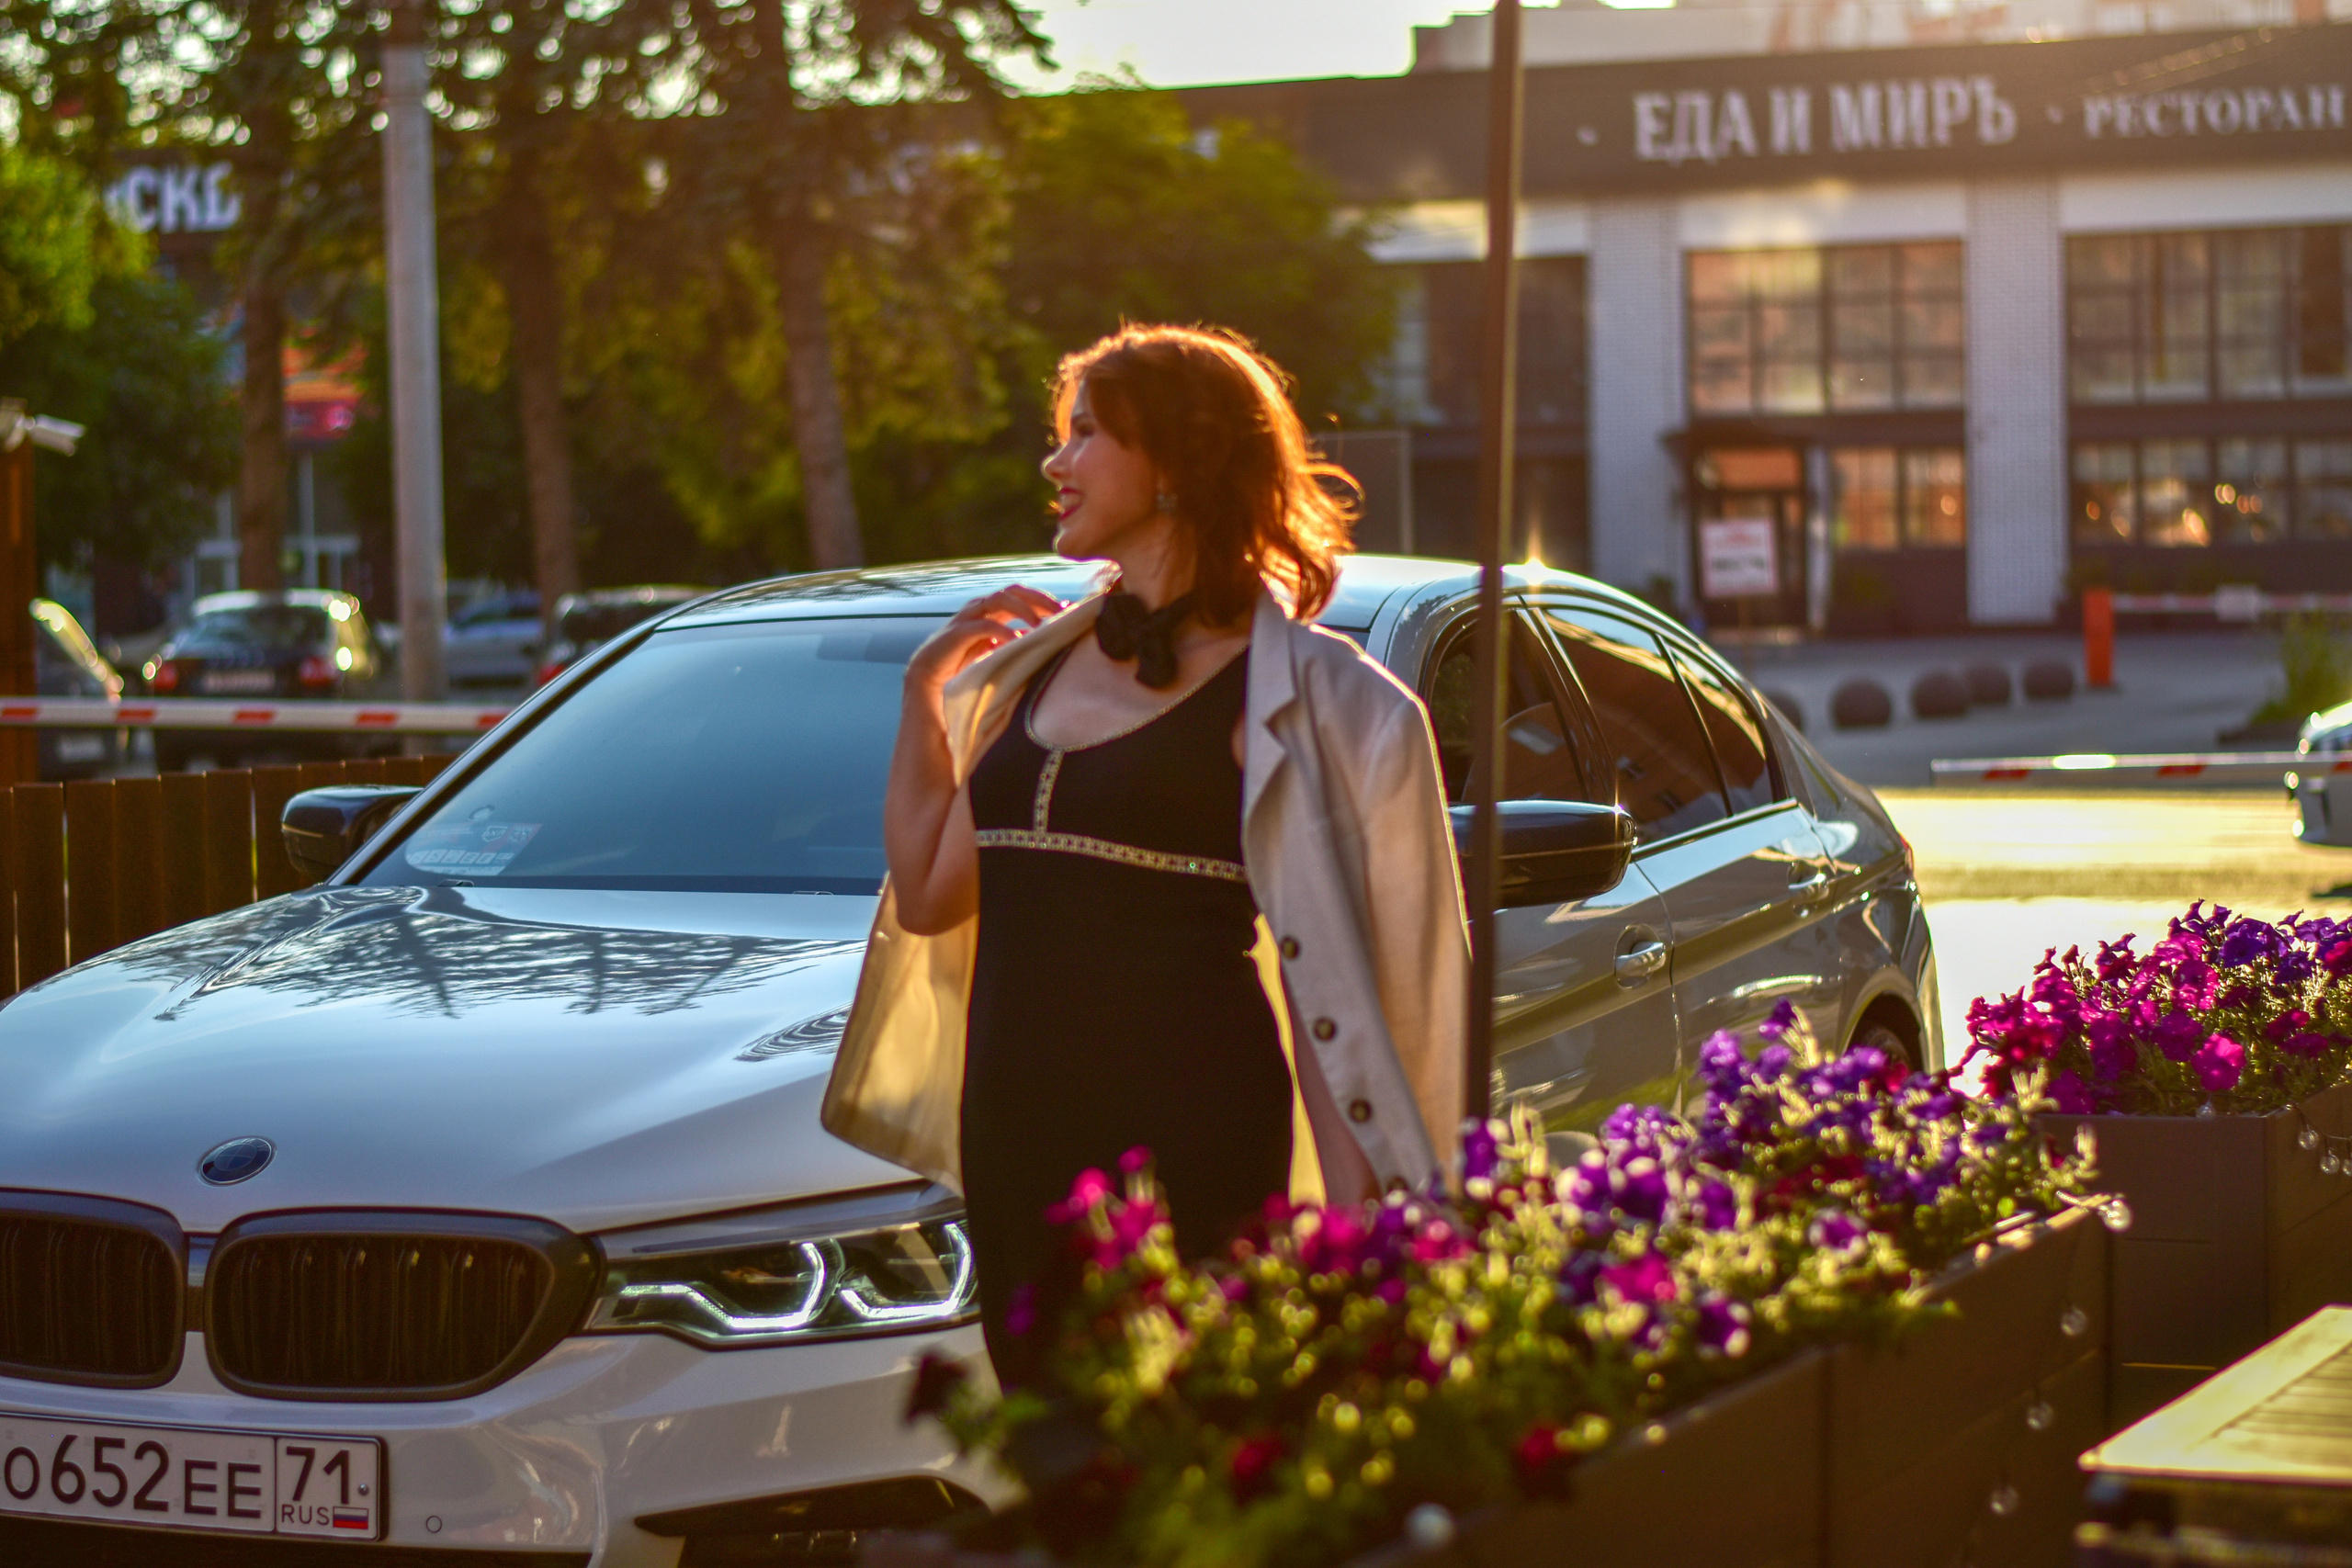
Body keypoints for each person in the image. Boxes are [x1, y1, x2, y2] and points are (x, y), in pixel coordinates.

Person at [821, 324, 1468, 1382]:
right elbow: (932, 894)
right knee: (1052, 1454)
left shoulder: (1324, 702)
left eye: (1085, 436)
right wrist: (920, 701)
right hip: (1017, 1135)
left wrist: (1359, 1222)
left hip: (1190, 1131)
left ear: (1173, 461)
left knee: (1194, 1457)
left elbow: (1341, 985)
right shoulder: (1031, 669)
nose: (1053, 463)